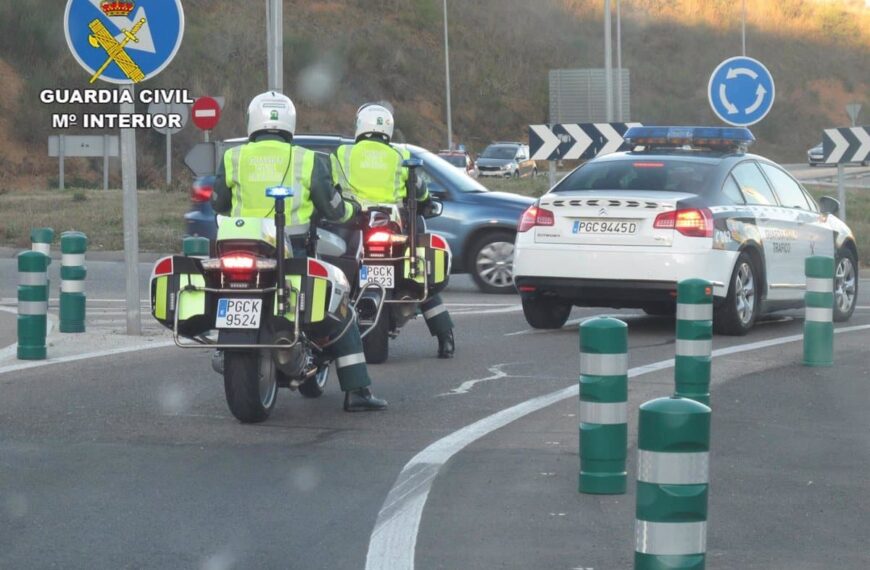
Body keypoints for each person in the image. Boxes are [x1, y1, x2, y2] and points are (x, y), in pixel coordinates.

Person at [212, 91, 387, 412]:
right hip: (293, 254)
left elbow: (218, 203)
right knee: (342, 313)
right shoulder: (308, 160)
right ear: (290, 123)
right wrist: (354, 212)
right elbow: (333, 209)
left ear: (252, 121)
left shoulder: (233, 157)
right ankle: (358, 391)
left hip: (239, 250)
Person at [333, 103, 455, 358]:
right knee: (421, 279)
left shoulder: (343, 153)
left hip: (356, 227)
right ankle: (445, 338)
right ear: (388, 129)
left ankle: (334, 337)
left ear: (359, 126)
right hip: (394, 227)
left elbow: (330, 190)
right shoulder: (400, 155)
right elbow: (420, 191)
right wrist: (426, 202)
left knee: (339, 278)